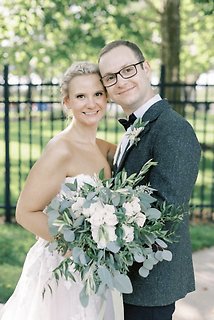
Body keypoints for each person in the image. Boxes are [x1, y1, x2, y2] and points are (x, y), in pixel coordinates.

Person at [0, 62, 120, 320]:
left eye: (97, 94)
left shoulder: (106, 148)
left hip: (97, 269)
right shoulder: (61, 149)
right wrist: (80, 245)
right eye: (80, 96)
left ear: (106, 97)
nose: (91, 103)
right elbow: (25, 212)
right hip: (65, 268)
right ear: (67, 102)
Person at [98, 40, 201, 320]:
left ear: (146, 68)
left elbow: (165, 210)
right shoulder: (137, 125)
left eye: (128, 70)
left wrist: (98, 227)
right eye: (110, 77)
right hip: (128, 277)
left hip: (152, 280)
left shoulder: (173, 129)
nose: (121, 81)